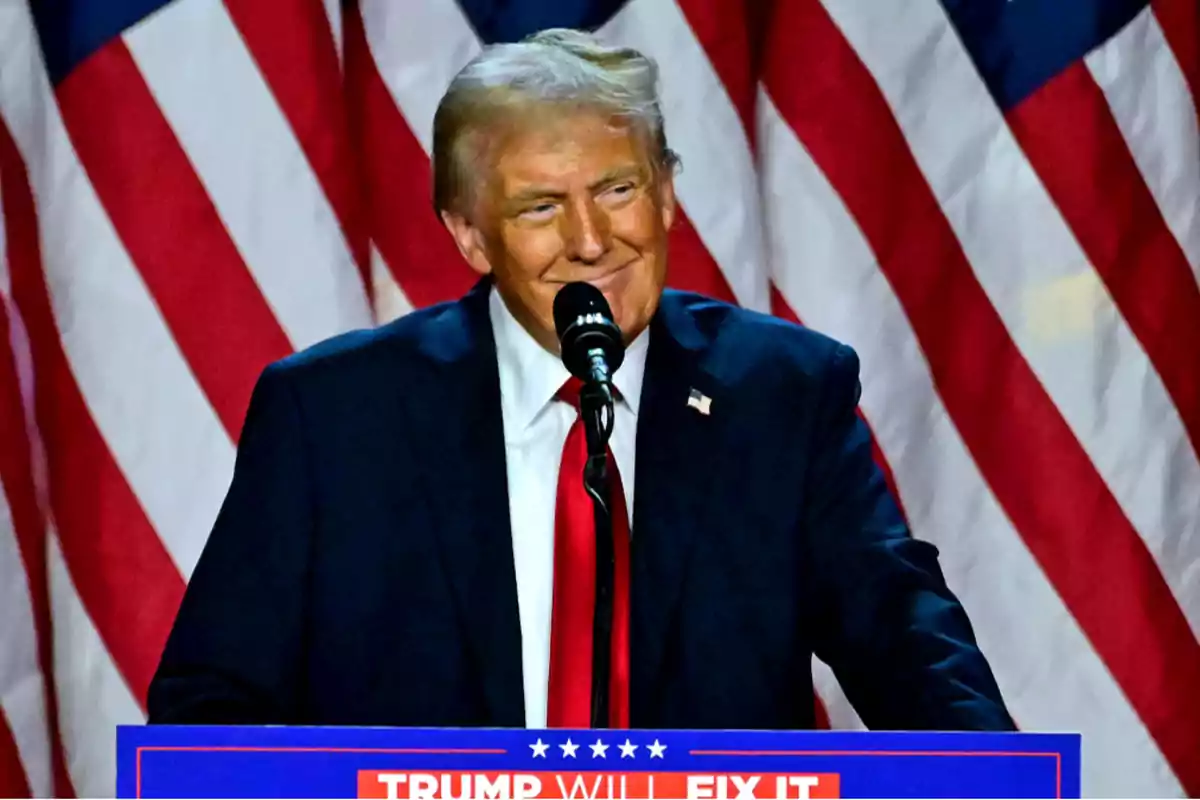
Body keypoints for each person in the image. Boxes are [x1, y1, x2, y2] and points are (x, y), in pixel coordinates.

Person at [147, 28, 1014, 732]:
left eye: (618, 188)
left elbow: (906, 645)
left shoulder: (781, 395)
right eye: (539, 207)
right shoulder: (335, 418)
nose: (592, 239)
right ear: (470, 236)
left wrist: (994, 779)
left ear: (668, 194)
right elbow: (211, 709)